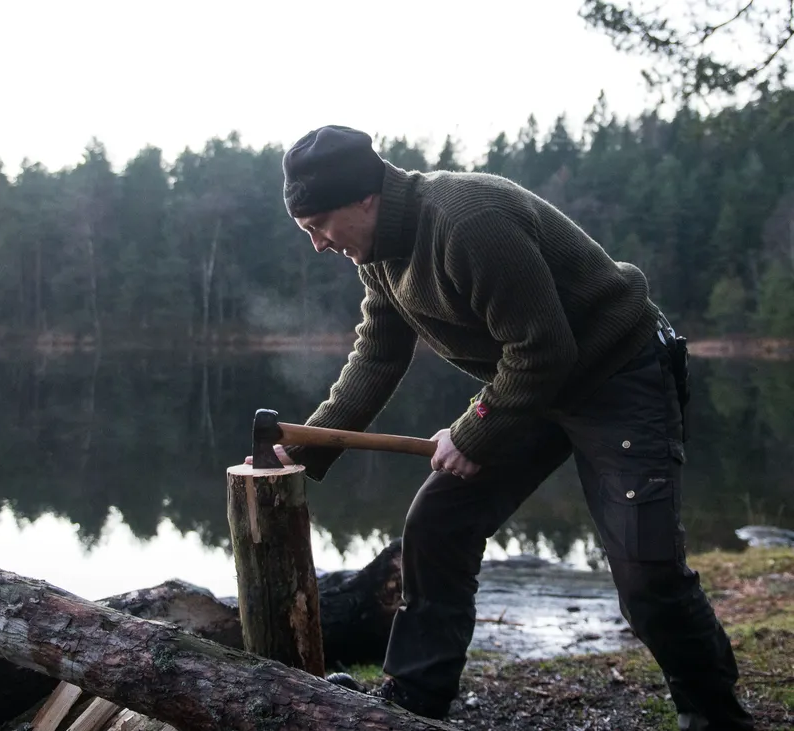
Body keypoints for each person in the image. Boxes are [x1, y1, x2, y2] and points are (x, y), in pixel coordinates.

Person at [249, 124, 755, 730]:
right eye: (307, 231)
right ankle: (415, 702)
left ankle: (717, 719)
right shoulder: (380, 251)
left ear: (364, 197)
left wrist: (472, 433)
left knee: (647, 574)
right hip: (532, 389)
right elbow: (379, 353)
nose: (319, 245)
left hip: (618, 375)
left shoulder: (467, 221)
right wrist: (310, 442)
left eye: (319, 226)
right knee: (437, 525)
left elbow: (543, 351)